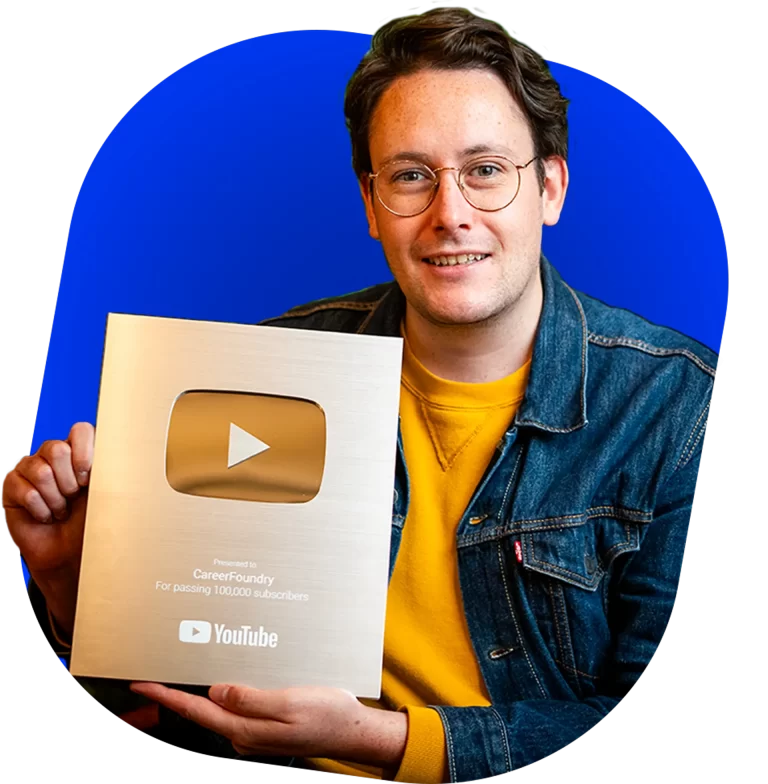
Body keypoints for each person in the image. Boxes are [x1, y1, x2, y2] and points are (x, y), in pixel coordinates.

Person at [3, 5, 722, 782]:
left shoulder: (678, 407)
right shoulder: (274, 362)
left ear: (548, 188)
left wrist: (373, 740)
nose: (451, 215)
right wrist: (78, 585)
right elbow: (163, 683)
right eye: (412, 176)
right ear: (372, 204)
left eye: (485, 171)